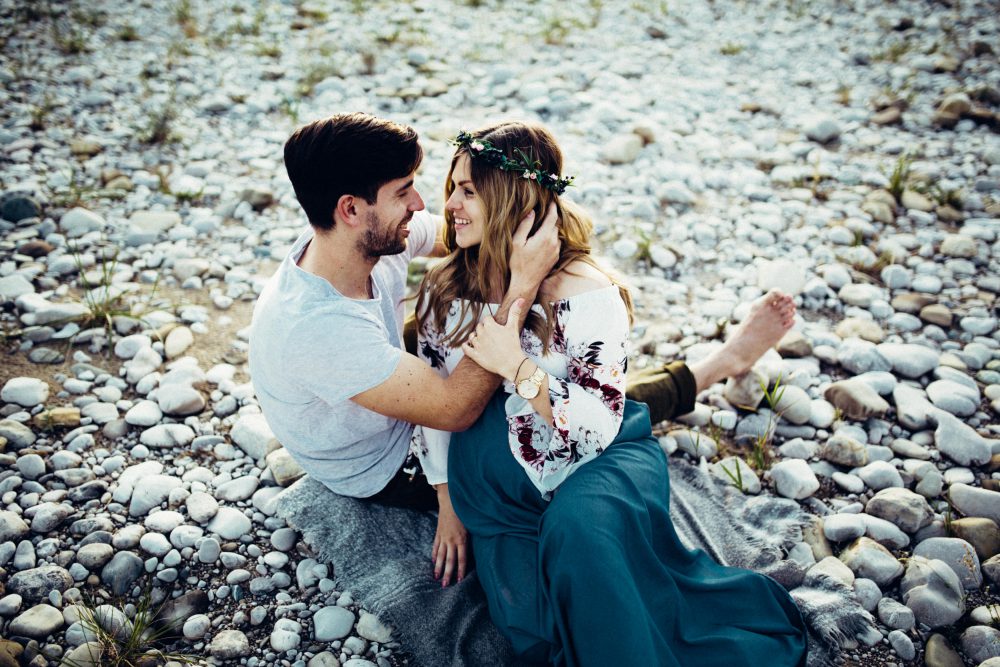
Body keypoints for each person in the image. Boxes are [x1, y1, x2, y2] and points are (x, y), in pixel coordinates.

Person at [411, 121, 808, 666]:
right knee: (531, 623)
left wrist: (518, 367)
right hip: (498, 493)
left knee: (584, 545)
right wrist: (448, 501)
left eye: (469, 191)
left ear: (513, 200)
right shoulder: (445, 290)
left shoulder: (585, 291)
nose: (450, 205)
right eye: (451, 187)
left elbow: (598, 425)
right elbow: (432, 403)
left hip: (597, 462)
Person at [249, 113, 561, 590]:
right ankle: (694, 377)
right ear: (350, 209)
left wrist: (510, 215)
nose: (420, 203)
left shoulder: (358, 240)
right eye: (403, 192)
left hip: (379, 372)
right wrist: (523, 282)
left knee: (500, 343)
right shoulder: (318, 328)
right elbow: (454, 409)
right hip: (385, 462)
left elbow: (450, 234)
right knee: (557, 407)